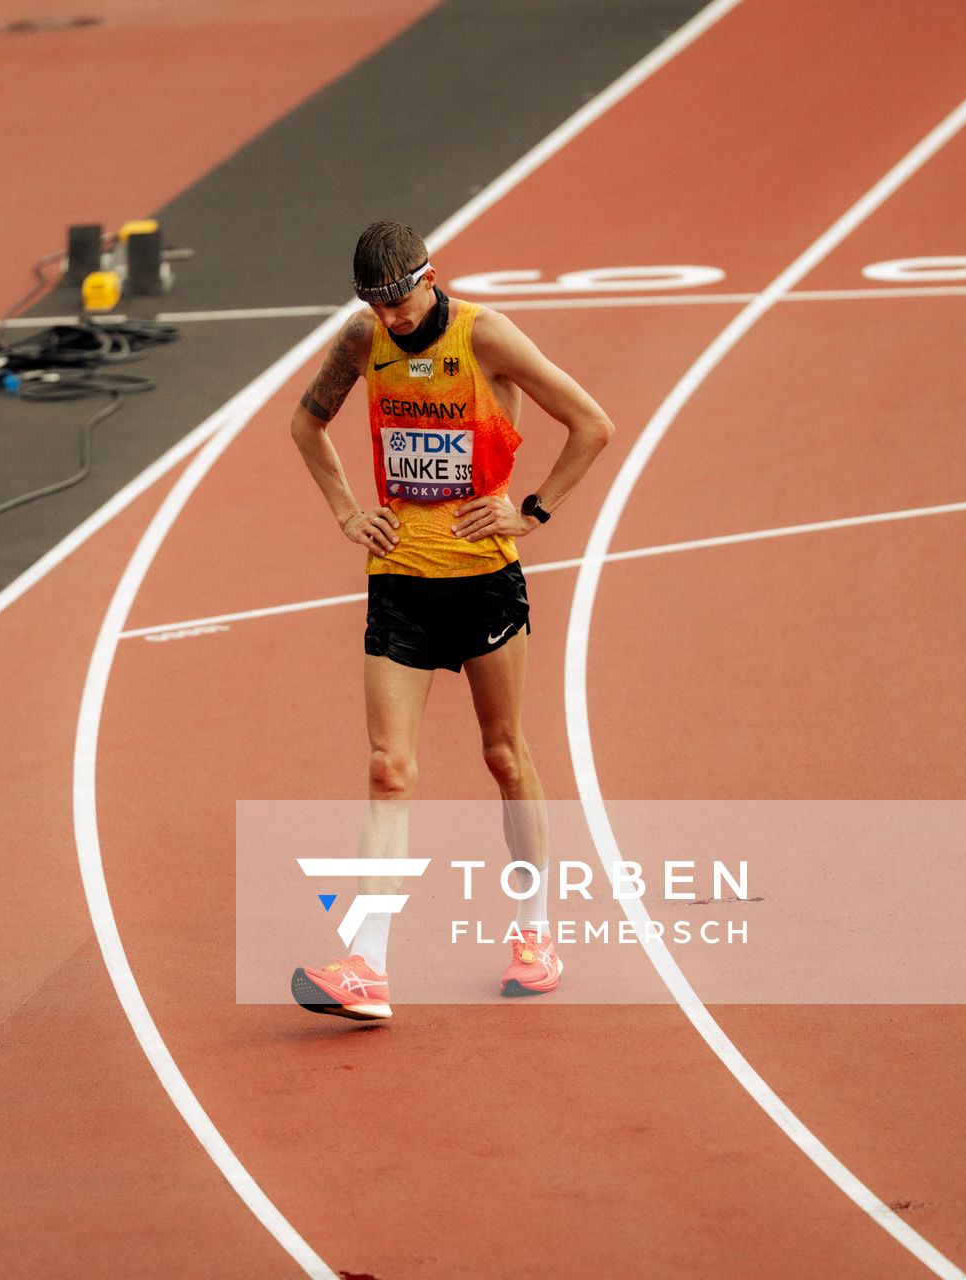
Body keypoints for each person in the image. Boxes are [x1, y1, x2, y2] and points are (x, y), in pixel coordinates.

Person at [287, 221, 615, 1021]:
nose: (391, 318)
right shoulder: (362, 340)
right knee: (387, 769)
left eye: (398, 301)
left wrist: (531, 511)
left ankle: (535, 931)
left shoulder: (486, 336)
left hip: (482, 580)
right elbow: (307, 424)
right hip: (399, 576)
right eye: (376, 304)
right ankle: (367, 966)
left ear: (429, 278)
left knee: (504, 756)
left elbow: (592, 425)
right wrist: (345, 511)